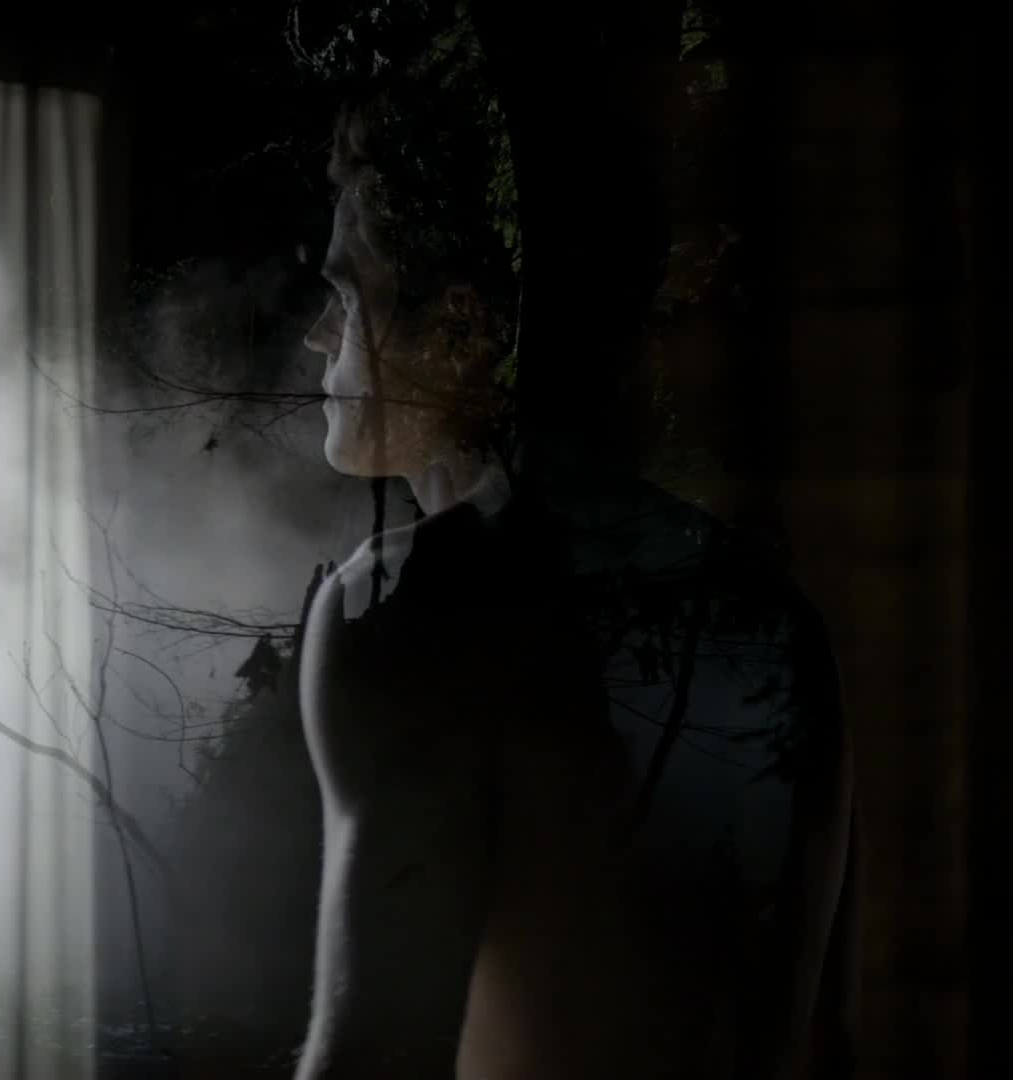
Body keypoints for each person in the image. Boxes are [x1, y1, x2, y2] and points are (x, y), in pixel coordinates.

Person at [292, 76, 857, 1080]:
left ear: (461, 332)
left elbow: (370, 1060)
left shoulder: (410, 608)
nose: (319, 338)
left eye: (347, 295)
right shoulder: (771, 616)